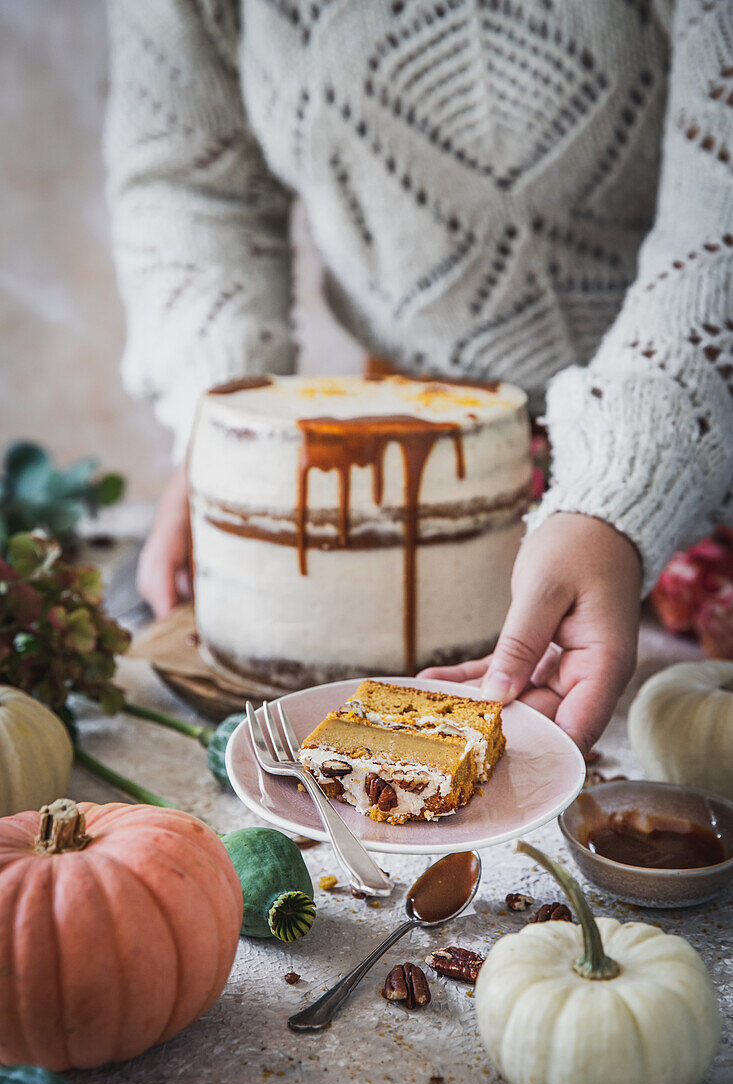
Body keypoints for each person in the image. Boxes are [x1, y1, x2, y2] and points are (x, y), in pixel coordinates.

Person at [104, 0, 733, 754]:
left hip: (686, 435)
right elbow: (187, 181)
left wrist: (625, 488)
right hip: (403, 427)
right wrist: (228, 419)